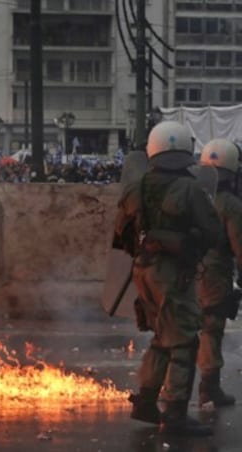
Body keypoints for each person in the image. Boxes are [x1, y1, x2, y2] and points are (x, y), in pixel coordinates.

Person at [115, 121, 222, 436]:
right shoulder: (191, 189)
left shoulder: (136, 188)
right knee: (184, 341)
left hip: (142, 270)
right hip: (174, 274)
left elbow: (121, 235)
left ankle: (145, 401)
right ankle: (175, 412)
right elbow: (213, 232)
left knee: (163, 337)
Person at [197, 138, 242, 408]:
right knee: (212, 331)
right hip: (215, 277)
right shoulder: (231, 205)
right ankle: (209, 388)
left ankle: (168, 389)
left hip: (185, 273)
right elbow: (239, 245)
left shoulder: (190, 194)